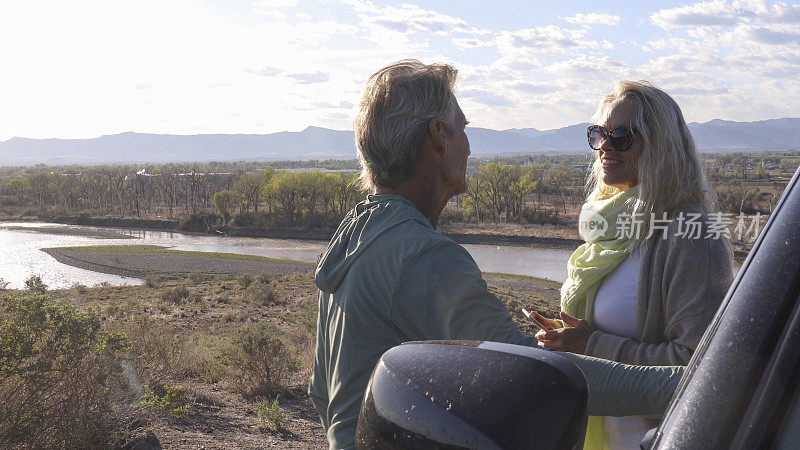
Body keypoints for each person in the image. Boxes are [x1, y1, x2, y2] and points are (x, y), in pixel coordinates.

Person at [532, 81, 734, 448]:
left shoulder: (692, 234)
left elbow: (699, 366)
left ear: (660, 147)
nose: (605, 146)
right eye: (599, 134)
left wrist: (592, 346)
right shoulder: (616, 225)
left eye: (622, 136)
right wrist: (570, 338)